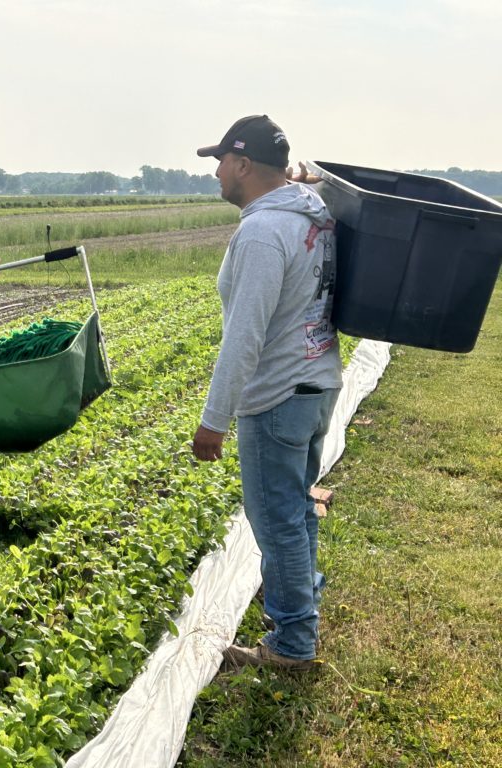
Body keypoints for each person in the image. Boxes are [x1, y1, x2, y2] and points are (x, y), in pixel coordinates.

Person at [192, 115, 342, 670]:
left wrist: (215, 419)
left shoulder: (260, 232)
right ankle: (303, 608)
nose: (216, 176)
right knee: (296, 511)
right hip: (317, 382)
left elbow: (245, 336)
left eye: (219, 164)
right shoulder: (313, 214)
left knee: (277, 520)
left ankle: (292, 644)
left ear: (243, 164)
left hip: (277, 395)